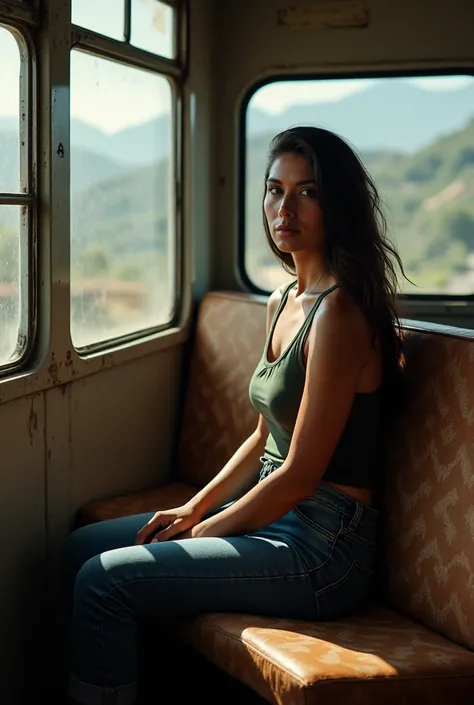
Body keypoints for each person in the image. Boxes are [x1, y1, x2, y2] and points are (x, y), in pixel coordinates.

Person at [63, 125, 405, 705]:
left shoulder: (340, 314)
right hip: (277, 515)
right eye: (275, 190)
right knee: (82, 547)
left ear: (338, 204)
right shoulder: (282, 300)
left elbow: (298, 477)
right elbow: (262, 434)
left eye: (308, 192)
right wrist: (192, 506)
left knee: (105, 580)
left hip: (323, 546)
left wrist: (201, 533)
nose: (285, 208)